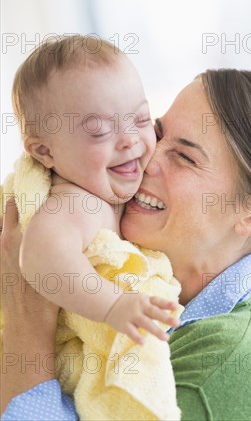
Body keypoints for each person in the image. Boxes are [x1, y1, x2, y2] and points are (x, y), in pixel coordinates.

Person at [1, 69, 251, 420]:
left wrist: (31, 314)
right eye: (156, 133)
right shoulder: (108, 267)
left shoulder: (240, 364)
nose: (145, 160)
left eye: (185, 158)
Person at [5, 34, 179, 342]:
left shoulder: (114, 187)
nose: (129, 139)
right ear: (45, 152)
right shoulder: (75, 202)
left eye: (140, 119)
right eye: (99, 131)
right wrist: (113, 305)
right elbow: (40, 256)